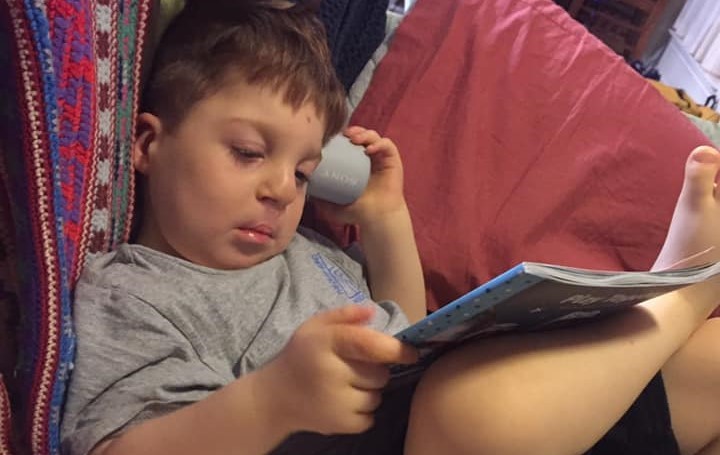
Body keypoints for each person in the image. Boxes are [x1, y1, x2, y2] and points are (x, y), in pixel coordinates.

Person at [61, 1, 720, 454]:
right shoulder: (132, 290)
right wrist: (268, 402)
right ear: (148, 144)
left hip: (514, 425)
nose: (277, 190)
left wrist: (385, 219)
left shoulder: (299, 249)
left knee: (709, 361)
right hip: (439, 430)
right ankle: (685, 281)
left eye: (302, 171)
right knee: (468, 406)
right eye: (248, 153)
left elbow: (402, 322)